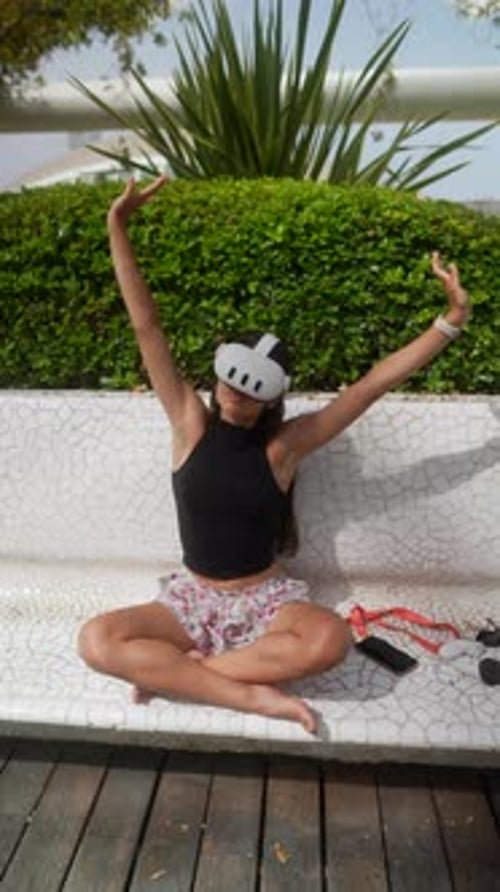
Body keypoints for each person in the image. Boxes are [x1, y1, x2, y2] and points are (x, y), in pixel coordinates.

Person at [78, 176, 472, 734]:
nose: (237, 398)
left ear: (272, 398)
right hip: (191, 603)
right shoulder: (189, 424)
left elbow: (367, 388)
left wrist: (448, 323)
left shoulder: (284, 448)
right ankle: (253, 698)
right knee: (96, 639)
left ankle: (187, 677)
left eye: (252, 392)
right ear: (217, 381)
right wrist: (116, 226)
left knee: (330, 639)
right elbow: (148, 328)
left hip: (263, 603)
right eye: (231, 387)